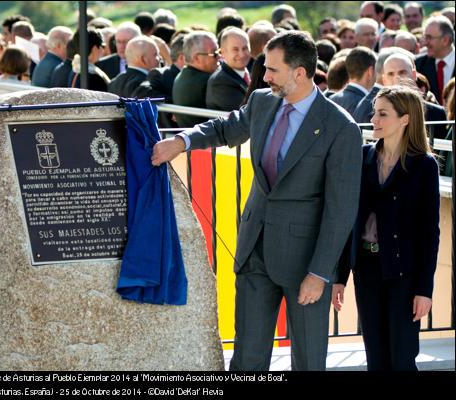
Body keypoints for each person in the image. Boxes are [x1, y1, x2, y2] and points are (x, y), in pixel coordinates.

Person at [152, 31, 362, 371]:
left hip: (305, 263)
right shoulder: (263, 101)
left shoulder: (341, 128)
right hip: (254, 251)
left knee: (308, 361)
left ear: (299, 73)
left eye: (273, 70)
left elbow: (341, 211)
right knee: (247, 359)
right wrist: (182, 140)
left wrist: (320, 273)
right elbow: (226, 127)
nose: (264, 77)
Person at [332, 85, 440, 371]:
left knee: (402, 359)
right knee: (376, 359)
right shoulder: (362, 156)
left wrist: (424, 289)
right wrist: (339, 276)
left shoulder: (424, 165)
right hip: (366, 269)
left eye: (383, 114)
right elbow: (347, 220)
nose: (374, 120)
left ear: (405, 119)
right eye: (374, 113)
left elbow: (430, 233)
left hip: (404, 273)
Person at [206, 27, 251, 111]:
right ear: (222, 52)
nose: (241, 54)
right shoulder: (220, 82)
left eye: (245, 48)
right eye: (235, 49)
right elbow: (245, 113)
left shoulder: (250, 71)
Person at [415, 16, 455, 104]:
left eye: (429, 38)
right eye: (425, 37)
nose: (425, 43)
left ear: (445, 40)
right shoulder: (419, 64)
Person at [69, 28, 111, 92]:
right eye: (103, 46)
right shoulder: (94, 76)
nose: (103, 50)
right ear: (95, 48)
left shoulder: (74, 70)